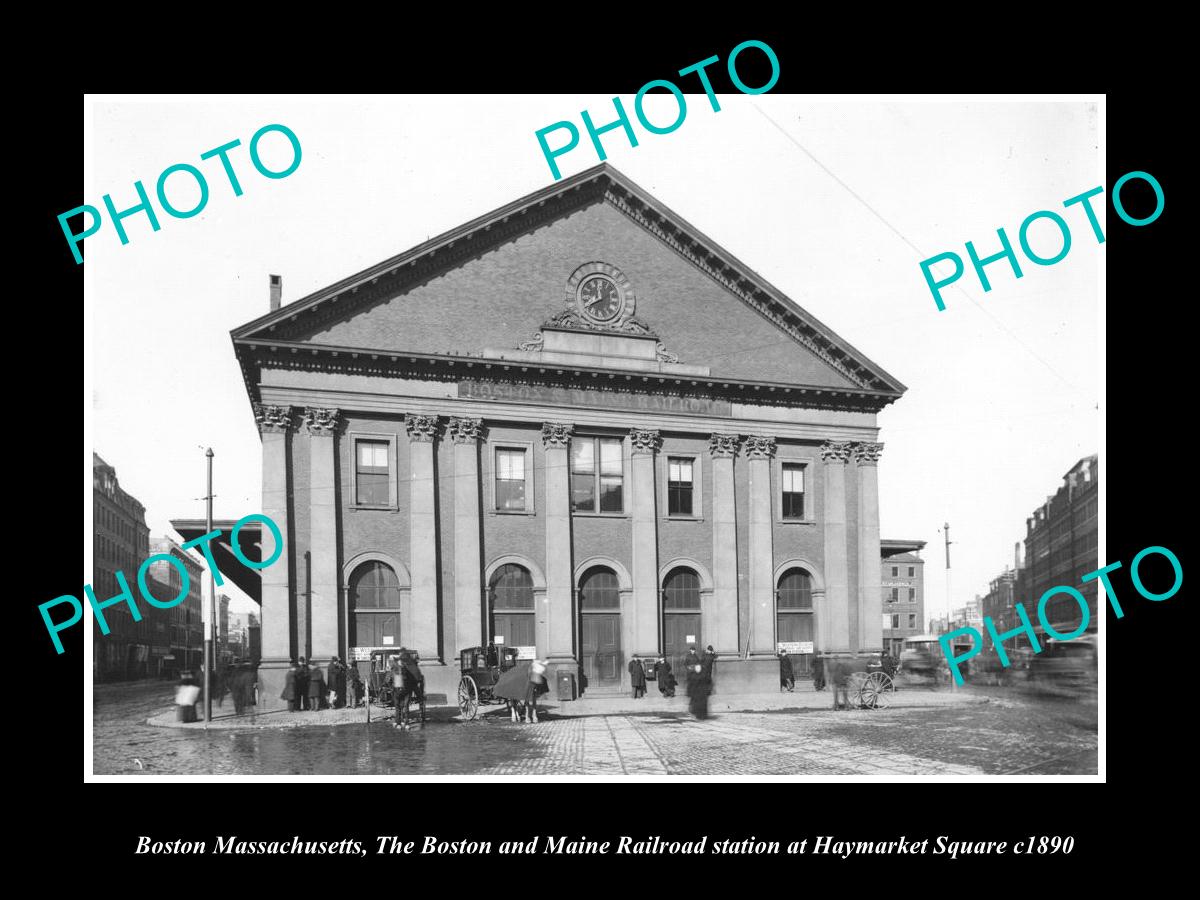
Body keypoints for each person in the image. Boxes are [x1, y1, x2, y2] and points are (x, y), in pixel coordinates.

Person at [686, 652, 712, 720]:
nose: (698, 669)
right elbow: (690, 685)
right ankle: (697, 715)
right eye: (697, 667)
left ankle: (703, 716)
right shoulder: (692, 675)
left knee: (702, 706)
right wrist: (689, 692)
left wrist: (708, 690)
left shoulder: (704, 675)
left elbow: (709, 682)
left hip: (702, 693)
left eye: (699, 667)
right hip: (695, 694)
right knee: (695, 706)